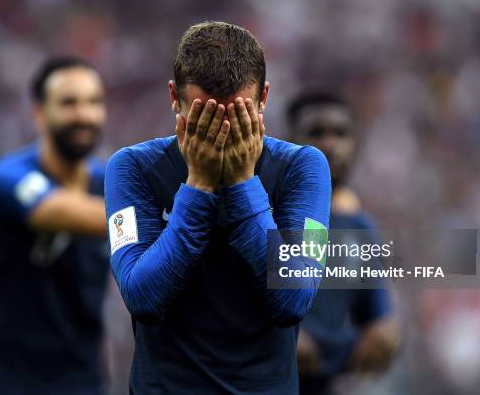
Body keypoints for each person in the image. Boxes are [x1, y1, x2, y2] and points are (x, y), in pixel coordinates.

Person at [104, 21, 331, 394]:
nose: (221, 133)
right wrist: (199, 185)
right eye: (205, 117)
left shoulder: (303, 168)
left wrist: (242, 183)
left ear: (264, 99)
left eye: (237, 117)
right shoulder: (132, 168)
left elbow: (294, 297)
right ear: (174, 97)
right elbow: (142, 297)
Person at [0, 56, 110, 394]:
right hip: (5, 380)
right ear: (38, 112)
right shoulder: (9, 175)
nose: (84, 115)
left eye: (93, 102)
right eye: (69, 103)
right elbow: (51, 209)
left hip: (83, 379)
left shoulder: (111, 183)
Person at [287, 91, 400, 394]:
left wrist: (385, 334)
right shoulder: (260, 215)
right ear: (288, 141)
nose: (329, 144)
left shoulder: (359, 229)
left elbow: (381, 331)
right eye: (315, 133)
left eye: (340, 133)